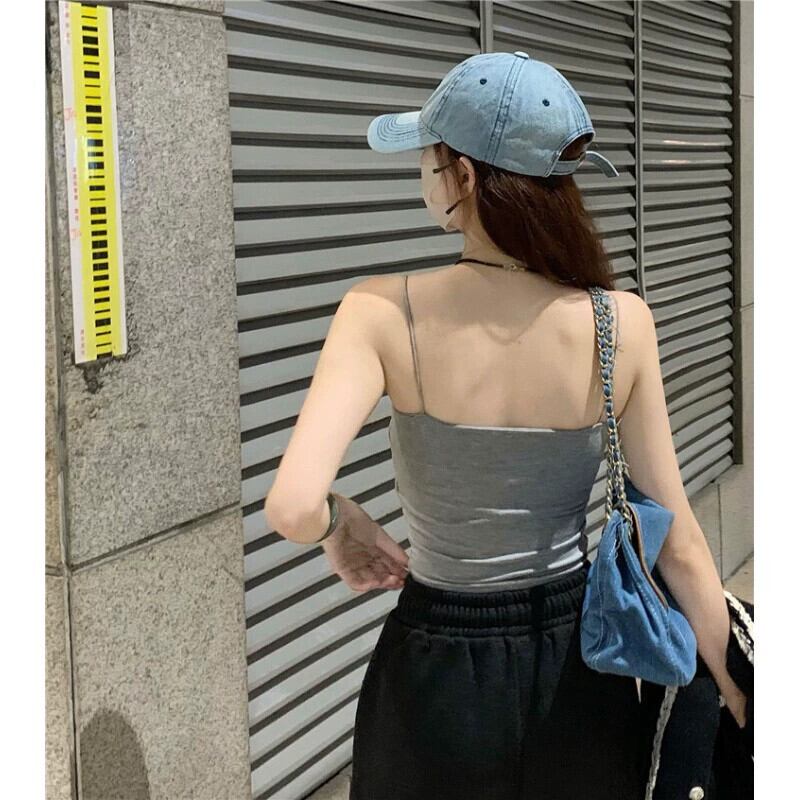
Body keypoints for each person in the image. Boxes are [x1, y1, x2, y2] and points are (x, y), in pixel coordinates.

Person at [263, 52, 748, 799]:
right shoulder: (619, 322)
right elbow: (678, 543)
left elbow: (294, 507)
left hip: (434, 670)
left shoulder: (379, 312)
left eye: (427, 160)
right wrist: (741, 694)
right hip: (581, 670)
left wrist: (340, 522)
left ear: (460, 175)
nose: (423, 176)